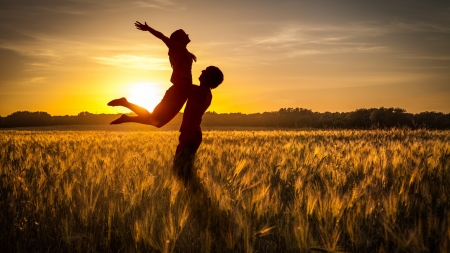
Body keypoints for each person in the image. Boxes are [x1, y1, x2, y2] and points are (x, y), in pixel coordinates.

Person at [108, 21, 196, 127]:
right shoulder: (177, 48)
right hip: (179, 89)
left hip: (183, 91)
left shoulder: (185, 52)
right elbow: (162, 37)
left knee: (158, 122)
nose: (188, 35)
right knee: (155, 119)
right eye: (185, 34)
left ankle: (126, 115)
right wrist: (149, 29)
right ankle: (125, 104)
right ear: (180, 39)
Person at [172, 66, 224, 184]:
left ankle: (193, 193)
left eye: (205, 71)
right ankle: (194, 194)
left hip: (190, 133)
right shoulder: (205, 92)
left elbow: (178, 82)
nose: (201, 71)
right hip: (192, 133)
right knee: (184, 169)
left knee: (181, 169)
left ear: (208, 78)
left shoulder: (200, 92)